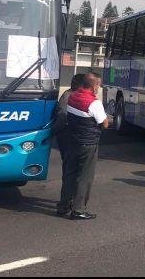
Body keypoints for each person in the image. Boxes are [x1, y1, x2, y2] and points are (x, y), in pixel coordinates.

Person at [61, 72, 109, 220]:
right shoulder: (94, 103)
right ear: (94, 86)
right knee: (84, 177)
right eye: (98, 85)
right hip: (88, 144)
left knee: (69, 174)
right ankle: (78, 210)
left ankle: (63, 206)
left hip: (72, 141)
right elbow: (105, 124)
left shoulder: (72, 97)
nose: (98, 87)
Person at [54, 73, 86, 216]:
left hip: (67, 137)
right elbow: (62, 118)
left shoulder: (68, 95)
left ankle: (67, 200)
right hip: (69, 137)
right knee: (71, 170)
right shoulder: (70, 97)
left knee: (70, 170)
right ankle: (66, 202)